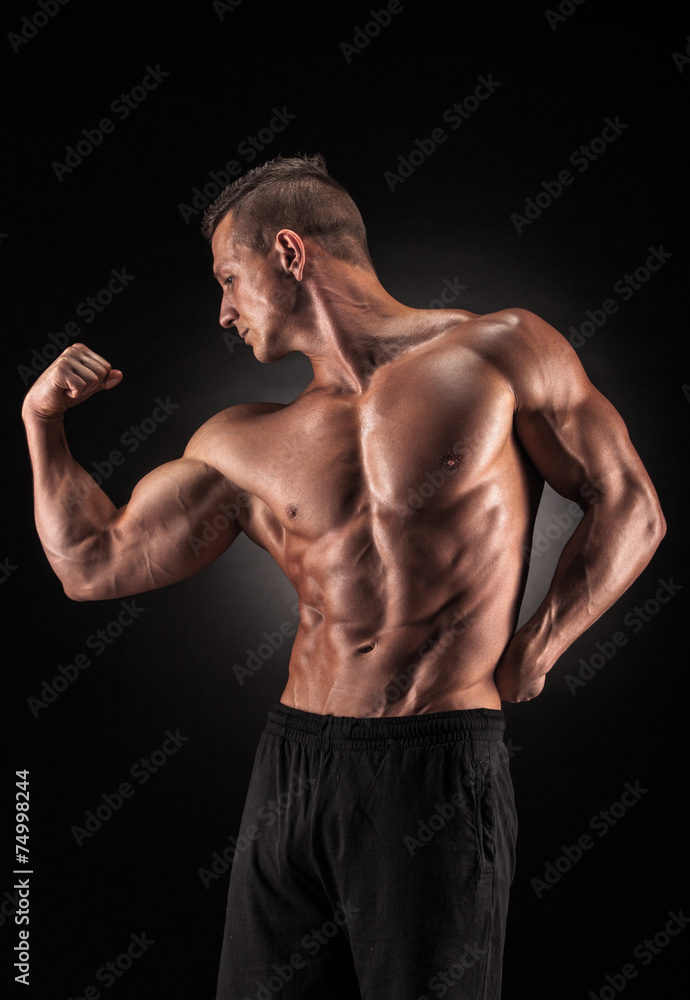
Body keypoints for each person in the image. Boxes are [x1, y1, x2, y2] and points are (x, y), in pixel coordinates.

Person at [22, 154, 665, 999]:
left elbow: (629, 503)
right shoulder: (242, 442)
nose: (223, 309)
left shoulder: (500, 352)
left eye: (229, 276)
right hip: (292, 766)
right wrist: (42, 426)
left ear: (289, 252)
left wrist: (539, 648)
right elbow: (90, 563)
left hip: (434, 765)